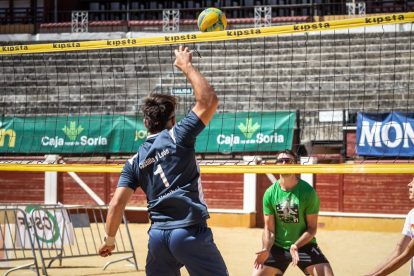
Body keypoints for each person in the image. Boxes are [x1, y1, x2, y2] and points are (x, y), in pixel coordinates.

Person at [98, 45, 228, 276]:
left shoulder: (134, 162)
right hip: (188, 232)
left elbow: (116, 204)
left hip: (158, 237)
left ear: (146, 124)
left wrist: (110, 239)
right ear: (173, 120)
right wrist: (185, 65)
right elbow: (209, 101)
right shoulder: (178, 134)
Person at [252, 149, 334, 276]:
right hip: (278, 247)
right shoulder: (269, 193)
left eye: (288, 161)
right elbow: (269, 229)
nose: (284, 164)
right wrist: (266, 249)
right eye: (280, 161)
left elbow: (312, 228)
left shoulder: (308, 192)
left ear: (295, 164)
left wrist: (295, 245)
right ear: (276, 165)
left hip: (303, 245)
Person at [367, 178, 414, 276]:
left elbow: (407, 255)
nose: (409, 184)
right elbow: (399, 252)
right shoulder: (411, 214)